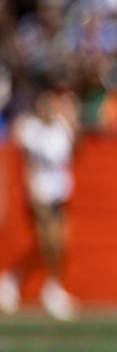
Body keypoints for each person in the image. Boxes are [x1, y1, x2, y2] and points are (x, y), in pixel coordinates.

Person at [0, 80, 80, 321]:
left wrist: (72, 118)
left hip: (60, 191)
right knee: (48, 243)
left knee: (58, 244)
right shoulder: (30, 128)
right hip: (40, 192)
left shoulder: (61, 126)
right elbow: (26, 161)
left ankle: (15, 280)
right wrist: (32, 191)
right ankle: (46, 288)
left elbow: (75, 150)